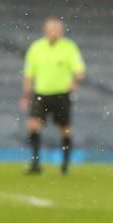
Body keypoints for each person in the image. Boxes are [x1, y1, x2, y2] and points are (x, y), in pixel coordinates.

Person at [19, 17, 85, 175]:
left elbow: (79, 71)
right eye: (51, 29)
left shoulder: (69, 47)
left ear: (62, 31)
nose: (54, 32)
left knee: (65, 129)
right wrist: (26, 95)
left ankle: (65, 165)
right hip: (41, 93)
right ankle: (35, 164)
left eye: (57, 29)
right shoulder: (36, 47)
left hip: (61, 94)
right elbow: (29, 74)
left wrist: (75, 83)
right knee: (33, 125)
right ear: (45, 30)